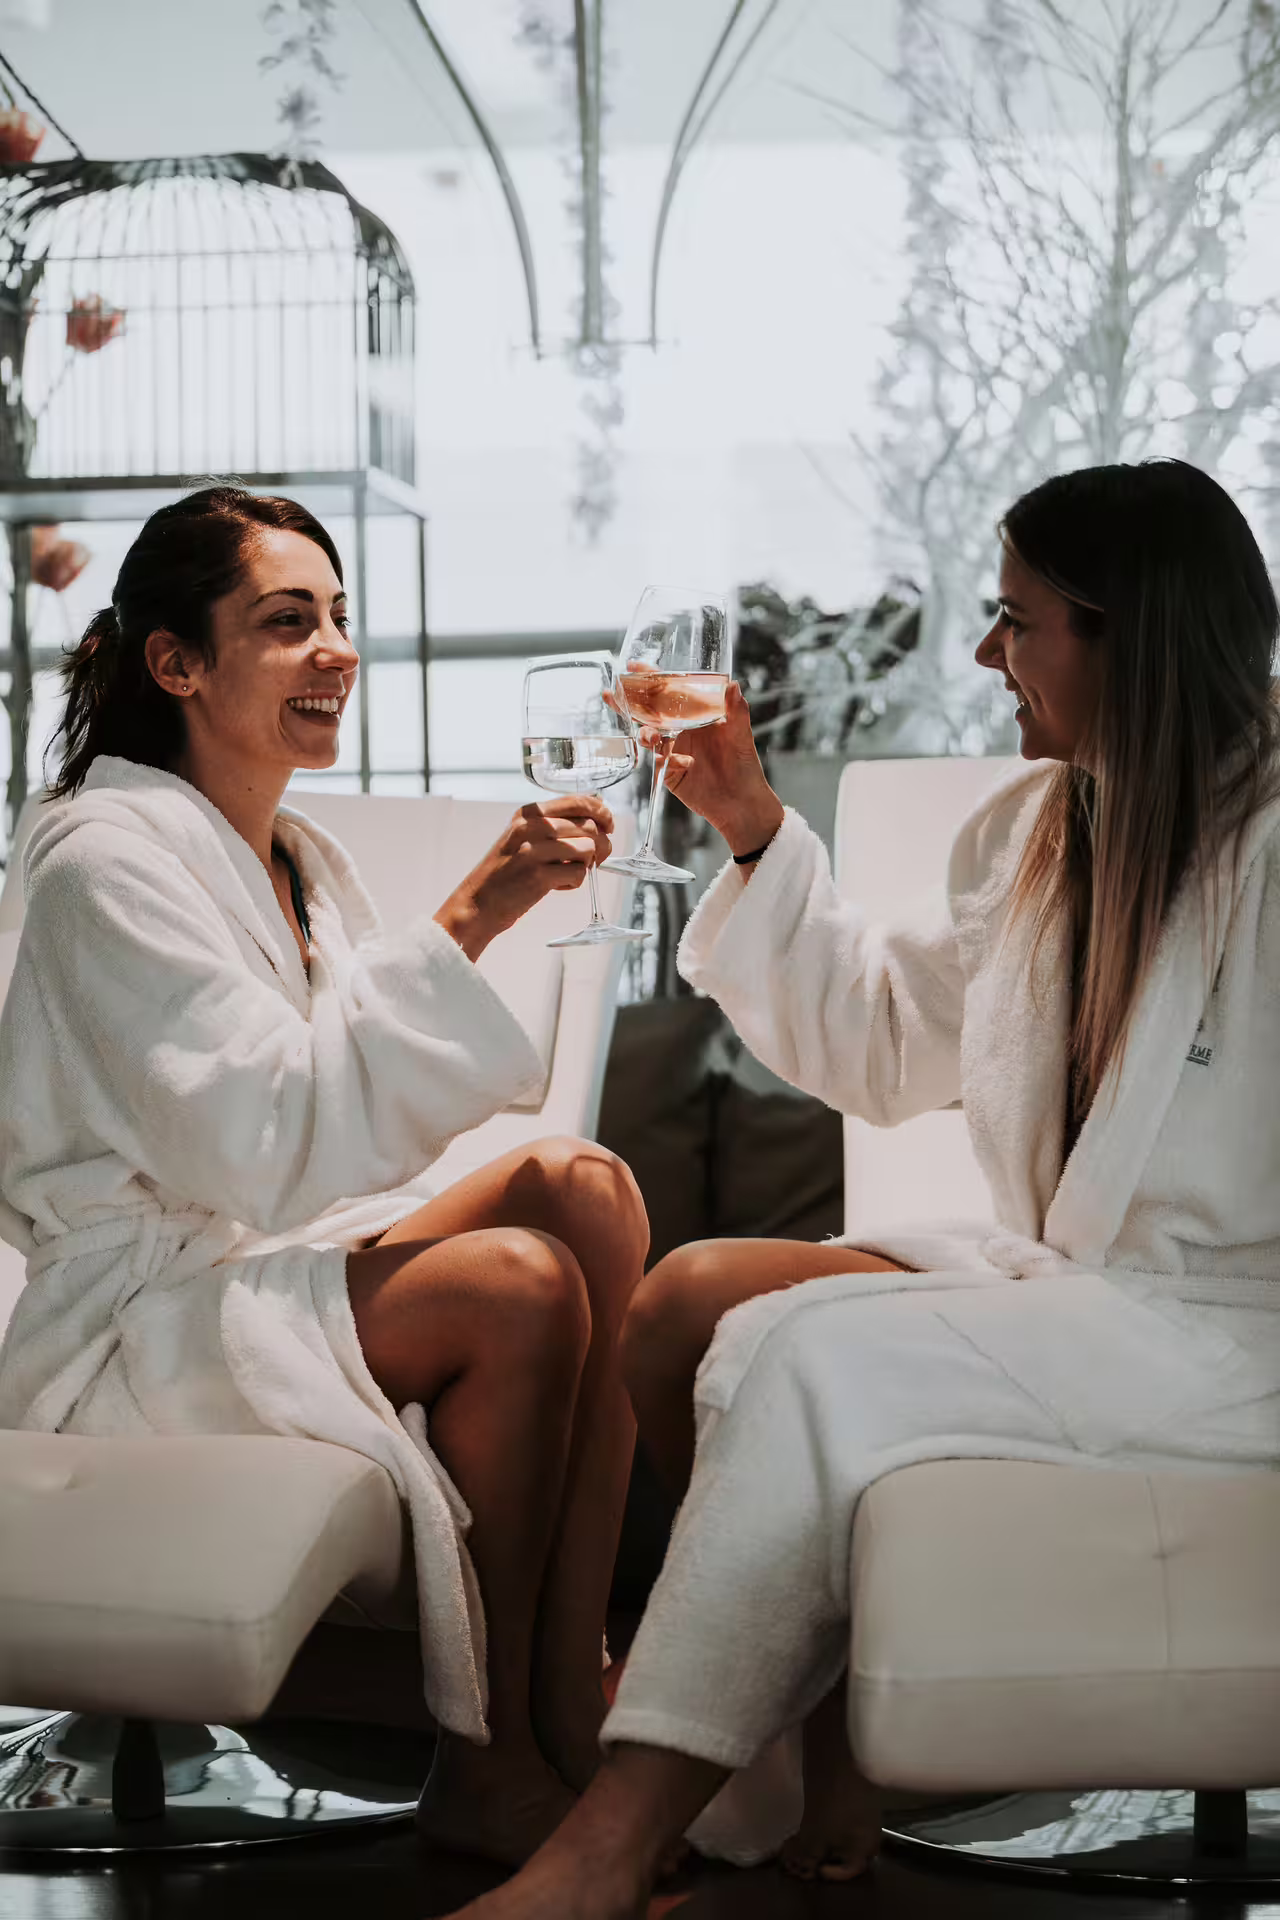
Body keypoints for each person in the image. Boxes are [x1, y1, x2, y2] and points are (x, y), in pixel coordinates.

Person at [454, 457, 1280, 1920]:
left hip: (1239, 1332)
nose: (984, 655)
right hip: (1079, 1294)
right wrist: (750, 822)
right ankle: (818, 1762)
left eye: (1015, 620)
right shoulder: (1039, 836)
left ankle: (616, 1838)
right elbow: (888, 1045)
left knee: (799, 1346)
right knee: (700, 1303)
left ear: (1125, 633)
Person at [0, 486, 650, 1868]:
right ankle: (487, 1761)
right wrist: (480, 908)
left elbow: (307, 1143)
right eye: (288, 623)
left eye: (342, 618)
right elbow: (264, 1142)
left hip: (249, 1265)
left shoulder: (293, 853)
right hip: (131, 1322)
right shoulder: (99, 862)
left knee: (582, 1189)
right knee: (517, 1286)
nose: (336, 650)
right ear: (175, 662)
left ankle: (568, 1711)